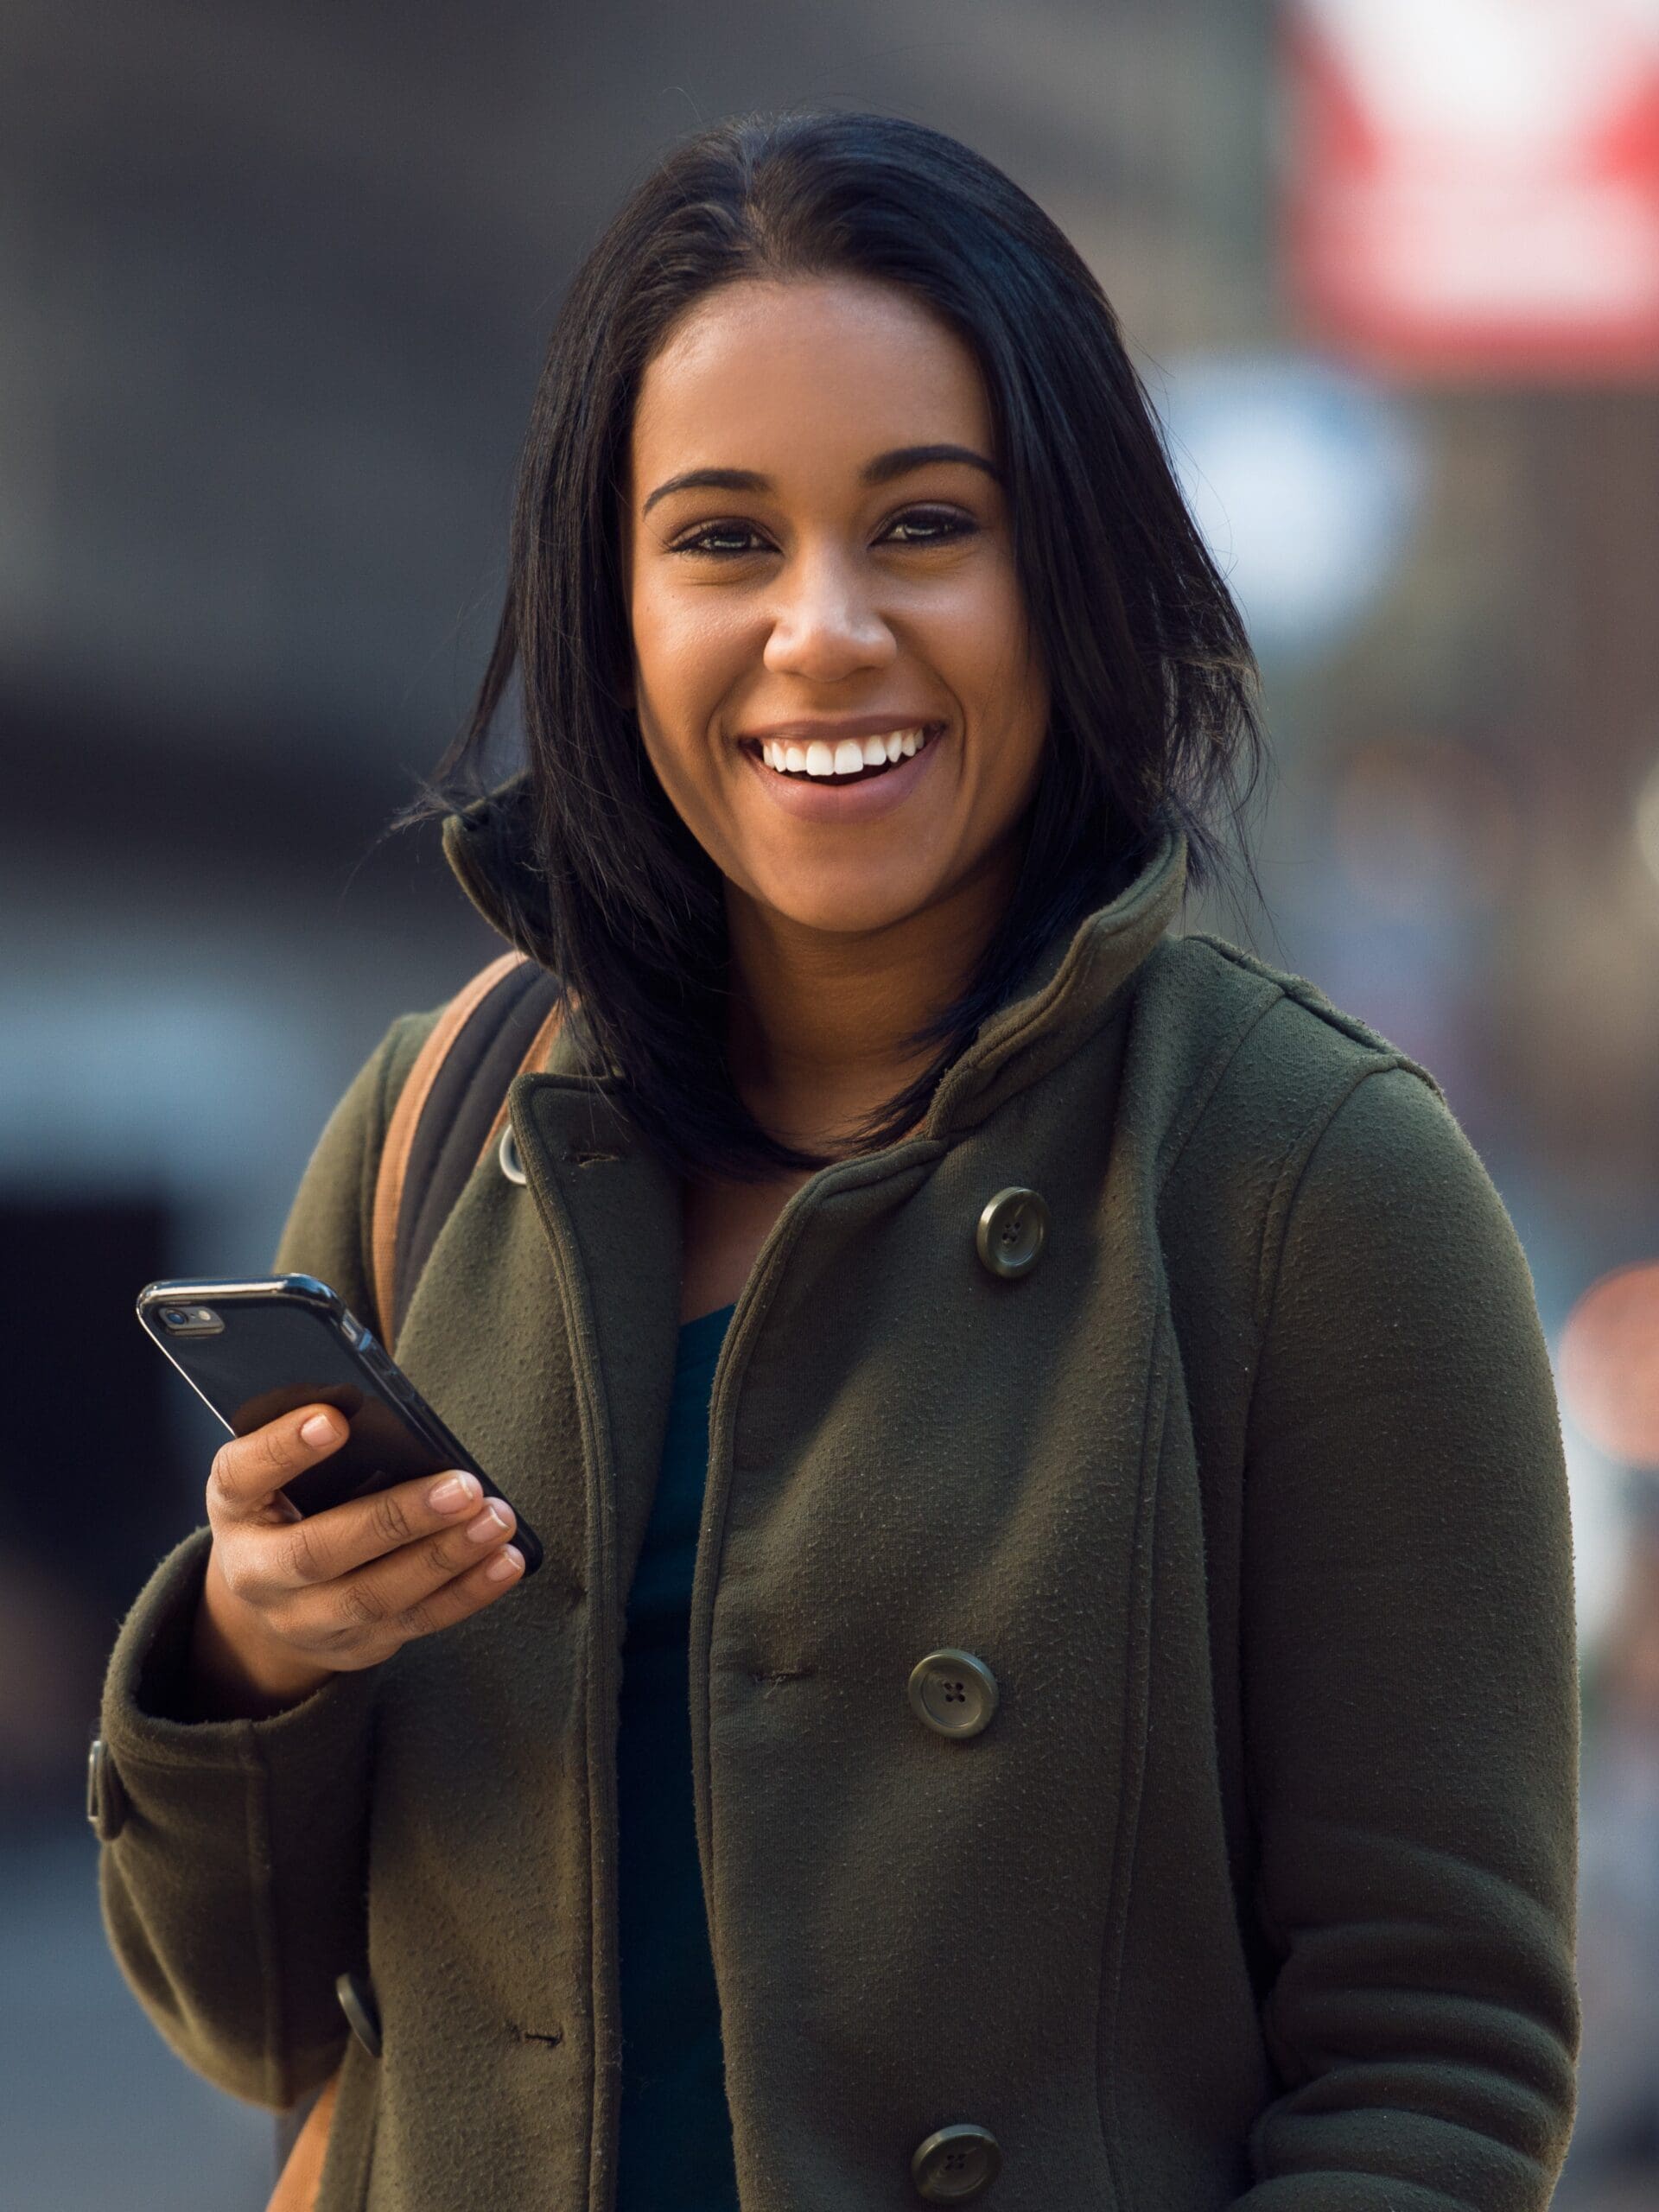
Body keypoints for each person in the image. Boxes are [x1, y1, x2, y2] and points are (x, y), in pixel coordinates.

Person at [93, 111, 1579, 2211]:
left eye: (923, 525)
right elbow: (253, 2016)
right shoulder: (441, 1137)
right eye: (721, 539)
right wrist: (257, 1651)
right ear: (610, 602)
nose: (823, 633)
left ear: (1068, 567)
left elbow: (1434, 2067)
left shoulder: (1308, 1178)